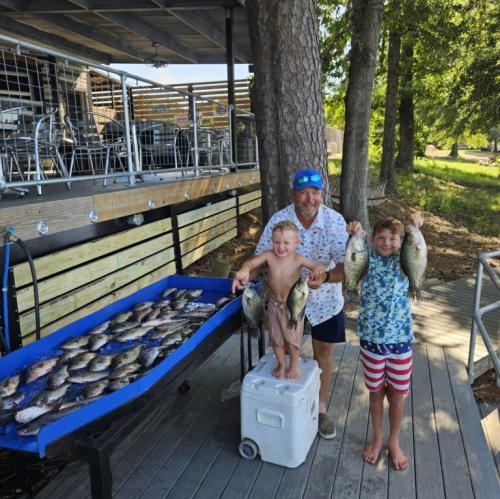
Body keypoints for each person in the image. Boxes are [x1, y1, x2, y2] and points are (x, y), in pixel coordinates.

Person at [254, 168, 348, 439]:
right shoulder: (279, 220)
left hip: (325, 298)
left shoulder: (334, 221)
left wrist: (328, 276)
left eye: (315, 192)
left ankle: (320, 408)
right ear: (294, 194)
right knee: (280, 344)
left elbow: (346, 265)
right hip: (284, 301)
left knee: (324, 351)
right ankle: (281, 396)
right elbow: (260, 258)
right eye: (303, 193)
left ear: (322, 193)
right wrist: (245, 276)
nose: (309, 199)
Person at [347, 215, 423, 471]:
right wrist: (355, 232)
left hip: (400, 340)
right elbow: (354, 252)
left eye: (393, 238)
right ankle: (378, 437)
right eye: (381, 237)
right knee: (376, 392)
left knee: (398, 395)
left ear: (401, 242)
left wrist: (415, 228)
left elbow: (417, 251)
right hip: (371, 341)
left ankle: (394, 441)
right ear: (371, 240)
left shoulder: (404, 263)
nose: (386, 243)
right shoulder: (368, 259)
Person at [232, 220, 325, 379]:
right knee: (276, 338)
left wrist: (318, 269)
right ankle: (281, 364)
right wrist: (244, 269)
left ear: (297, 243)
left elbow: (317, 266)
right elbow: (252, 262)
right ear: (272, 242)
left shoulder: (299, 259)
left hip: (292, 306)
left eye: (286, 243)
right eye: (277, 242)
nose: (281, 247)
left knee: (293, 339)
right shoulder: (269, 255)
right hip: (273, 305)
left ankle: (294, 364)